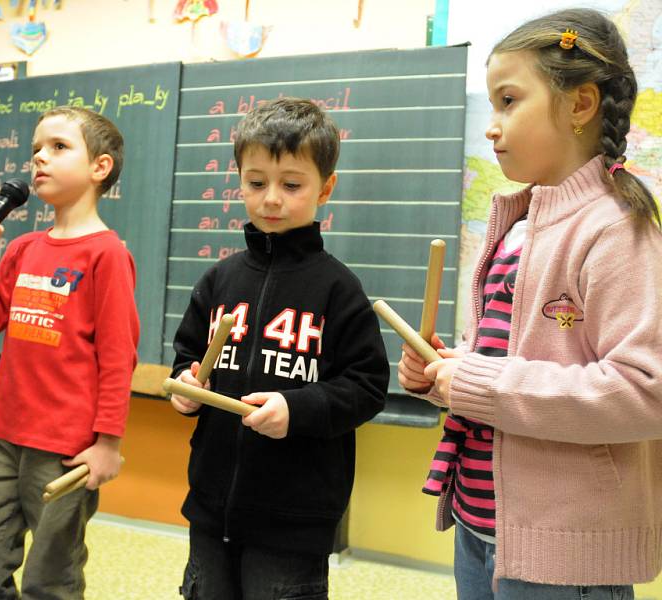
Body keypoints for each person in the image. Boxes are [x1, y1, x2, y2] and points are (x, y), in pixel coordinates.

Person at [398, 8, 662, 599]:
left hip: (563, 553)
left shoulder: (617, 229)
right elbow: (522, 353)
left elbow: (646, 391)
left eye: (509, 101)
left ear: (580, 105)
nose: (491, 127)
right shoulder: (520, 225)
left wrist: (477, 382)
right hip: (481, 524)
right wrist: (448, 366)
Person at [170, 97, 389, 600]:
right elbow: (188, 358)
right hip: (210, 506)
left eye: (291, 185)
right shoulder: (218, 280)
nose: (271, 199)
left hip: (293, 517)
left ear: (325, 188)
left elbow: (367, 387)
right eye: (255, 182)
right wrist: (186, 387)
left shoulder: (338, 289)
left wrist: (296, 407)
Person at [0, 106, 140, 599]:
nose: (40, 158)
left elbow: (119, 356)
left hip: (65, 449)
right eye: (36, 149)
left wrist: (108, 443)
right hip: (3, 435)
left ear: (100, 168)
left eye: (58, 147)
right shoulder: (24, 247)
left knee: (48, 580)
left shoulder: (107, 253)